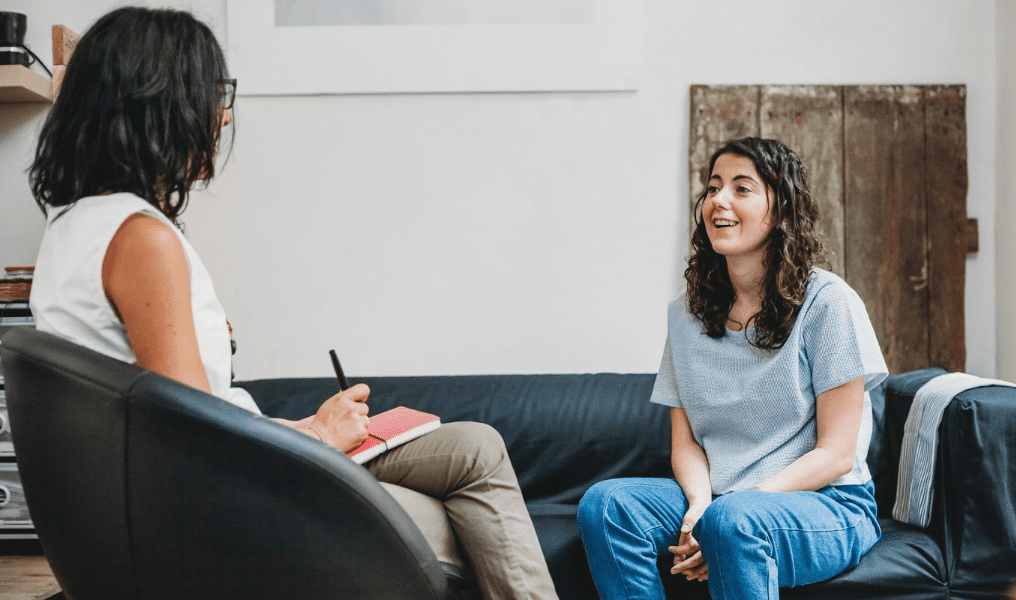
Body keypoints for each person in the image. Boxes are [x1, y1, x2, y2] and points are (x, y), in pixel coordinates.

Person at [26, 7, 557, 600]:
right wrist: (323, 440)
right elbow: (190, 440)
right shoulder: (140, 238)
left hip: (229, 473)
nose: (222, 115)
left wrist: (305, 425)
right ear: (160, 102)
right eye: (212, 94)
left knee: (475, 445)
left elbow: (186, 411)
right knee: (457, 519)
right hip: (224, 501)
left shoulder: (74, 226)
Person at [577, 137, 888, 600]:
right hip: (724, 500)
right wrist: (701, 506)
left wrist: (735, 510)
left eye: (742, 188)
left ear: (780, 209)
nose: (718, 200)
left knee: (732, 522)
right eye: (714, 186)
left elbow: (838, 453)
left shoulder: (828, 302)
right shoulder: (687, 314)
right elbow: (684, 442)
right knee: (606, 505)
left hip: (828, 504)